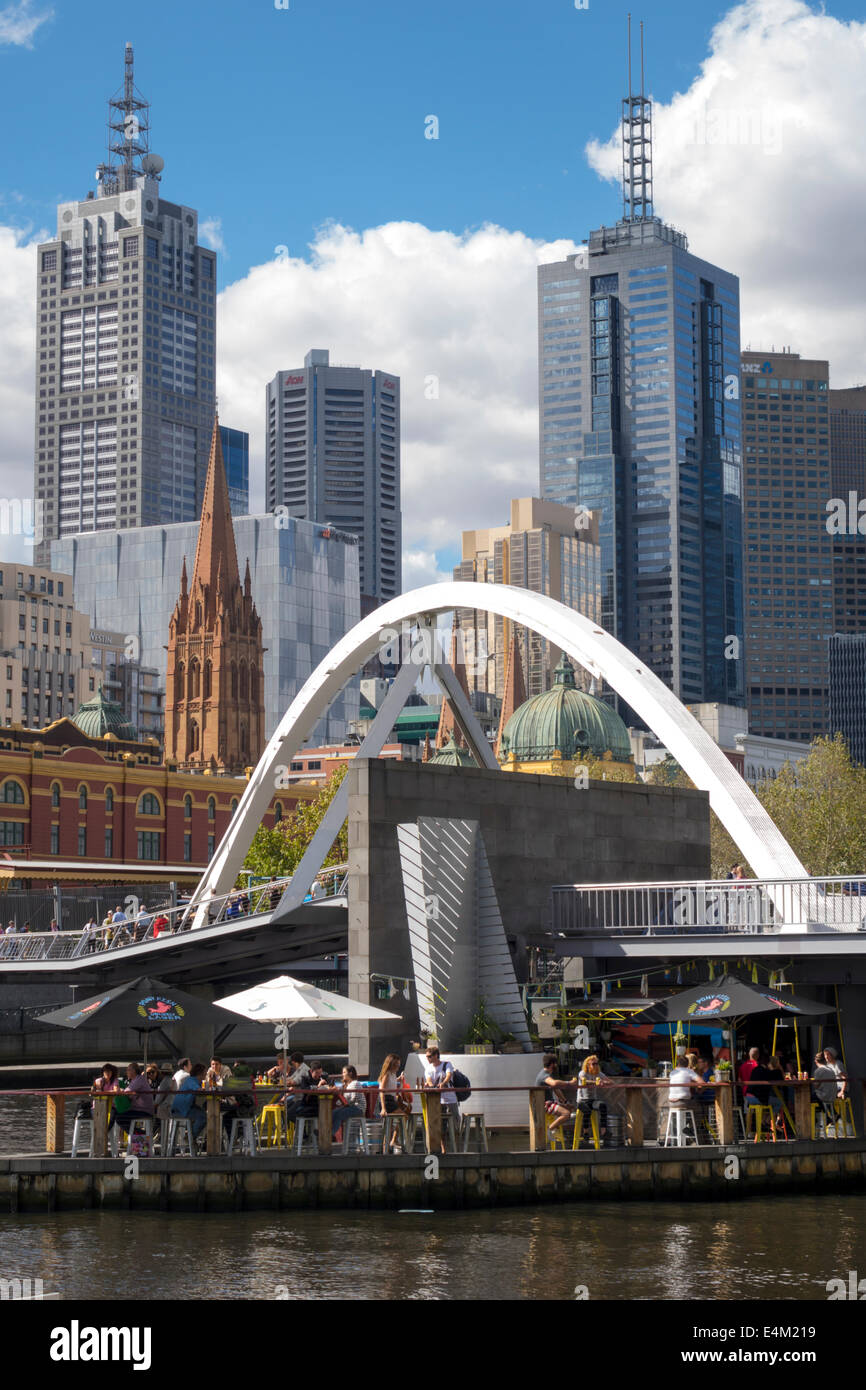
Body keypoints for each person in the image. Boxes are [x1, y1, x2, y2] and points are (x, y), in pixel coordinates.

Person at [423, 1047, 459, 1152]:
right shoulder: (428, 1069)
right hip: (438, 1101)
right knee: (440, 1126)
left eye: (429, 1056)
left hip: (450, 1099)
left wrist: (443, 1083)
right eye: (427, 1057)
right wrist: (431, 1085)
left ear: (435, 1056)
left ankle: (456, 1148)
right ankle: (443, 1149)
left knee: (455, 1124)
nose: (427, 1059)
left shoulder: (447, 1064)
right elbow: (429, 1080)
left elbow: (449, 1075)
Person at [110, 1062, 154, 1138]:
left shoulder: (139, 1080)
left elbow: (127, 1091)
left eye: (128, 1070)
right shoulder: (135, 1080)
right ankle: (139, 1135)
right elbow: (129, 1095)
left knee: (120, 1118)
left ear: (134, 1071)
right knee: (117, 1114)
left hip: (144, 1110)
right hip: (138, 1109)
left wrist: (119, 1090)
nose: (126, 1072)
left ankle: (142, 1135)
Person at [536, 1053, 574, 1135]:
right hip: (545, 1104)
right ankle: (548, 1130)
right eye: (556, 1063)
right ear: (552, 1064)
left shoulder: (547, 1074)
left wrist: (565, 1102)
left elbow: (556, 1090)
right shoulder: (544, 1075)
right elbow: (554, 1083)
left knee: (570, 1108)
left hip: (549, 1103)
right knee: (566, 1113)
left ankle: (554, 1129)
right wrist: (569, 1083)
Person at [378, 1054, 409, 1150]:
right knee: (404, 1116)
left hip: (391, 1100)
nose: (397, 1067)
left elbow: (391, 1083)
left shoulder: (392, 1074)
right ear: (390, 1064)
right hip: (387, 1101)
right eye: (395, 1065)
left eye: (399, 1065)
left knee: (390, 1125)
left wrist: (398, 1079)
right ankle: (393, 1140)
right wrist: (383, 1108)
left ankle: (386, 1147)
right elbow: (382, 1091)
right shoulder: (387, 1074)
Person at [171, 1061, 208, 1142]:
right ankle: (191, 1137)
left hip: (182, 1107)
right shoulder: (192, 1080)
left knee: (203, 1113)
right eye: (205, 1072)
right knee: (203, 1117)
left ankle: (191, 1135)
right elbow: (197, 1089)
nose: (206, 1074)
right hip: (181, 1109)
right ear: (200, 1073)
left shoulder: (192, 1080)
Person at [576, 1054, 608, 1142]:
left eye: (597, 1063)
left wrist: (603, 1082)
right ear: (588, 1065)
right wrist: (596, 1082)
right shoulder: (582, 1073)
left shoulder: (598, 1073)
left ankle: (603, 1131)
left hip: (593, 1100)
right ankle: (585, 1132)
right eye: (593, 1064)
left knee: (603, 1105)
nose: (596, 1065)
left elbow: (610, 1081)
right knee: (587, 1110)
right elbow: (584, 1081)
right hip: (582, 1100)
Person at [812, 1051, 837, 1131]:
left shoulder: (818, 1071)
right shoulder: (831, 1069)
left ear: (816, 1061)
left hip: (824, 1096)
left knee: (809, 1098)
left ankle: (815, 1121)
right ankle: (829, 1116)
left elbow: (816, 1085)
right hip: (833, 1096)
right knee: (816, 1096)